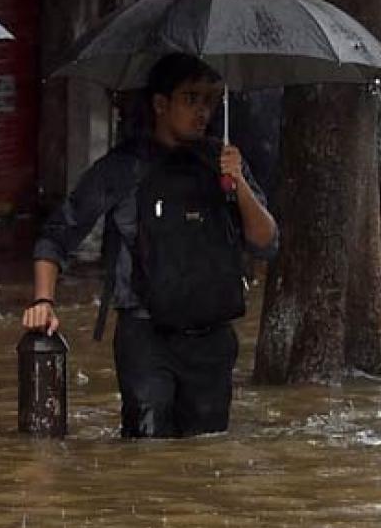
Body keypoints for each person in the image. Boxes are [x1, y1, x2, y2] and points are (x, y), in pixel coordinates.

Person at [23, 53, 278, 439]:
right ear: (161, 104)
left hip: (211, 340)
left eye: (208, 100)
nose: (202, 111)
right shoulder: (122, 168)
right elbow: (57, 235)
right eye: (190, 98)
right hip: (146, 338)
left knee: (206, 452)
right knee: (147, 449)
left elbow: (265, 240)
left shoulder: (221, 163)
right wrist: (44, 303)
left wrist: (238, 181)